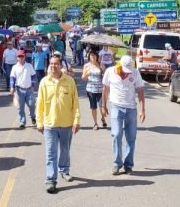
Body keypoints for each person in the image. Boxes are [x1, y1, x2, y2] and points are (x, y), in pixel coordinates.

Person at [36, 56, 80, 194]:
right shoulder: (44, 82)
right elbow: (40, 104)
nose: (53, 66)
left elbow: (75, 103)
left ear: (61, 66)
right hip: (50, 124)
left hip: (66, 123)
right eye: (51, 64)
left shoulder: (69, 81)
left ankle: (64, 170)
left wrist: (76, 120)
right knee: (51, 152)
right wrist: (39, 122)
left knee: (65, 150)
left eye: (56, 64)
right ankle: (51, 180)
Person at [101, 55, 146, 176]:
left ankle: (128, 165)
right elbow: (105, 89)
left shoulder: (135, 73)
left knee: (131, 137)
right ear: (119, 65)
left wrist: (142, 110)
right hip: (116, 106)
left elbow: (140, 91)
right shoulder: (110, 71)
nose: (127, 72)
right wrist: (103, 106)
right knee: (116, 134)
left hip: (131, 108)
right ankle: (117, 163)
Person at [9, 50, 37, 129]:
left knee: (31, 104)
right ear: (17, 58)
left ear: (24, 57)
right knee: (20, 107)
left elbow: (33, 76)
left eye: (22, 56)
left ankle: (32, 116)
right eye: (19, 56)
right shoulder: (15, 67)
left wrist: (32, 84)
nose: (21, 58)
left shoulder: (29, 66)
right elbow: (12, 78)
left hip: (29, 89)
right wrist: (12, 87)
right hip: (19, 90)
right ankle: (22, 122)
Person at [82, 50, 107, 130]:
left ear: (97, 57)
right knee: (93, 107)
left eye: (94, 55)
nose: (93, 57)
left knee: (102, 106)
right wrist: (87, 74)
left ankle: (103, 118)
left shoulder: (101, 64)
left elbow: (106, 76)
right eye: (91, 55)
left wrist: (103, 72)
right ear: (89, 57)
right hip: (91, 90)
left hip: (100, 89)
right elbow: (83, 78)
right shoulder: (86, 66)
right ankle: (95, 123)